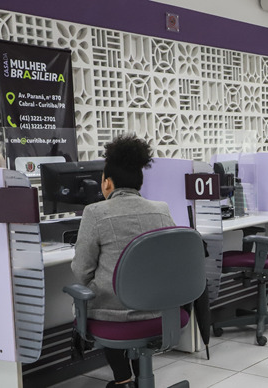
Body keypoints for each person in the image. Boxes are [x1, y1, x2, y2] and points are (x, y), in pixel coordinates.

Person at [71, 134, 176, 388]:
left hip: (115, 315)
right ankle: (140, 378)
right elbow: (173, 260)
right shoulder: (161, 209)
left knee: (95, 297)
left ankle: (123, 380)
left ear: (107, 183)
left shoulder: (95, 212)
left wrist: (101, 283)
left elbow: (81, 270)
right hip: (163, 312)